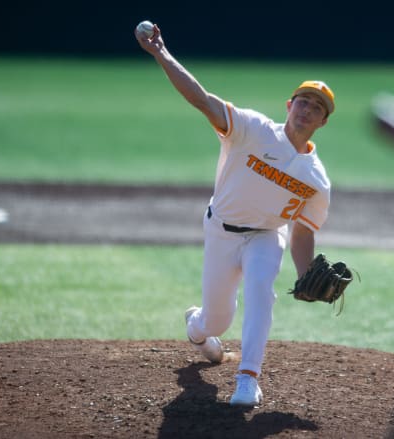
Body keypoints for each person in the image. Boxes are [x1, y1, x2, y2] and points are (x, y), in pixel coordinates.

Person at [135, 22, 335, 407]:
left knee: (262, 289)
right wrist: (161, 53)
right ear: (289, 106)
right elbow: (202, 99)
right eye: (304, 101)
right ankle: (197, 327)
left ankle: (248, 378)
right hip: (221, 231)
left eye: (318, 108)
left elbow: (302, 233)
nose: (308, 110)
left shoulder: (316, 180)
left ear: (323, 122)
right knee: (216, 321)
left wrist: (306, 274)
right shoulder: (252, 129)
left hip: (266, 236)